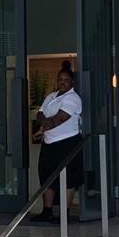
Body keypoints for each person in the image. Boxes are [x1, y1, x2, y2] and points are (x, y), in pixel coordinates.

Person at [30, 62, 83, 224]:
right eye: (60, 79)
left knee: (68, 179)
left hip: (67, 142)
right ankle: (47, 211)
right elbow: (40, 113)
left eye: (66, 80)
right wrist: (43, 124)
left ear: (72, 82)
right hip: (49, 143)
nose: (62, 82)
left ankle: (64, 214)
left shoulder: (73, 98)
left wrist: (42, 128)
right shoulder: (51, 96)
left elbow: (60, 118)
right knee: (46, 176)